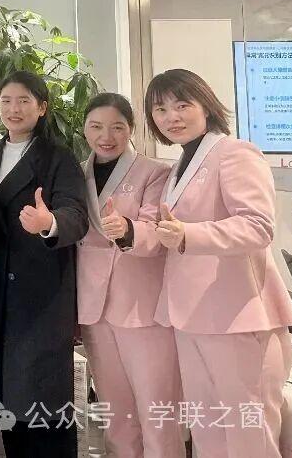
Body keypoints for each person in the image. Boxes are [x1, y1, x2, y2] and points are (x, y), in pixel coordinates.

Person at [146, 68, 292, 458]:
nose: (171, 117)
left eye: (182, 105)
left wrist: (188, 234)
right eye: (160, 109)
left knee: (249, 433)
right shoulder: (180, 164)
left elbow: (257, 226)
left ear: (206, 106)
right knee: (208, 430)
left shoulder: (234, 152)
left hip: (236, 314)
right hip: (190, 315)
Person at [0, 70, 88, 458]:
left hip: (40, 297)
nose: (14, 108)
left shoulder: (58, 158)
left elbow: (76, 215)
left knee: (44, 404)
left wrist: (48, 222)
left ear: (42, 108)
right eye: (6, 100)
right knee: (8, 404)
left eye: (24, 100)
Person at [77, 92, 184, 458]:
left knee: (157, 409)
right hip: (94, 307)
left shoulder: (154, 172)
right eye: (96, 126)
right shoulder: (76, 173)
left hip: (141, 305)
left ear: (132, 129)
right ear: (84, 129)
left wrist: (127, 229)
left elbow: (157, 232)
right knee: (115, 411)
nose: (105, 136)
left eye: (117, 127)